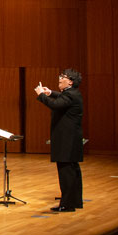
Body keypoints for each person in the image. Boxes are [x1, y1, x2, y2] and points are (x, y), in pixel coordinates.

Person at [35, 69, 84, 212]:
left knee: (66, 172)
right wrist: (50, 92)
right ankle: (75, 201)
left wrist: (41, 95)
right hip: (71, 139)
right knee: (72, 171)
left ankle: (67, 205)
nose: (60, 78)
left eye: (63, 77)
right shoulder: (72, 93)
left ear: (70, 82)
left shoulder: (70, 95)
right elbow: (62, 97)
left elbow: (55, 105)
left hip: (66, 140)